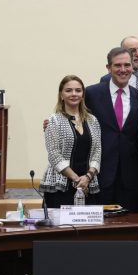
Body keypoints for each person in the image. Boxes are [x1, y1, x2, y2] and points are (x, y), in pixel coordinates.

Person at [86, 47, 138, 212]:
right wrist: (54, 122)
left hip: (131, 176)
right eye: (117, 65)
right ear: (108, 68)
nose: (123, 70)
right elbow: (76, 118)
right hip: (100, 173)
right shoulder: (91, 94)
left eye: (127, 65)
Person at [40, 76, 101, 207]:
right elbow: (54, 154)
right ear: (61, 95)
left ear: (83, 94)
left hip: (88, 183)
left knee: (88, 226)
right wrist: (77, 179)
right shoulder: (54, 120)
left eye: (78, 90)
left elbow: (97, 151)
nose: (74, 94)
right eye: (68, 90)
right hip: (61, 185)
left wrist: (88, 177)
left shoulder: (93, 120)